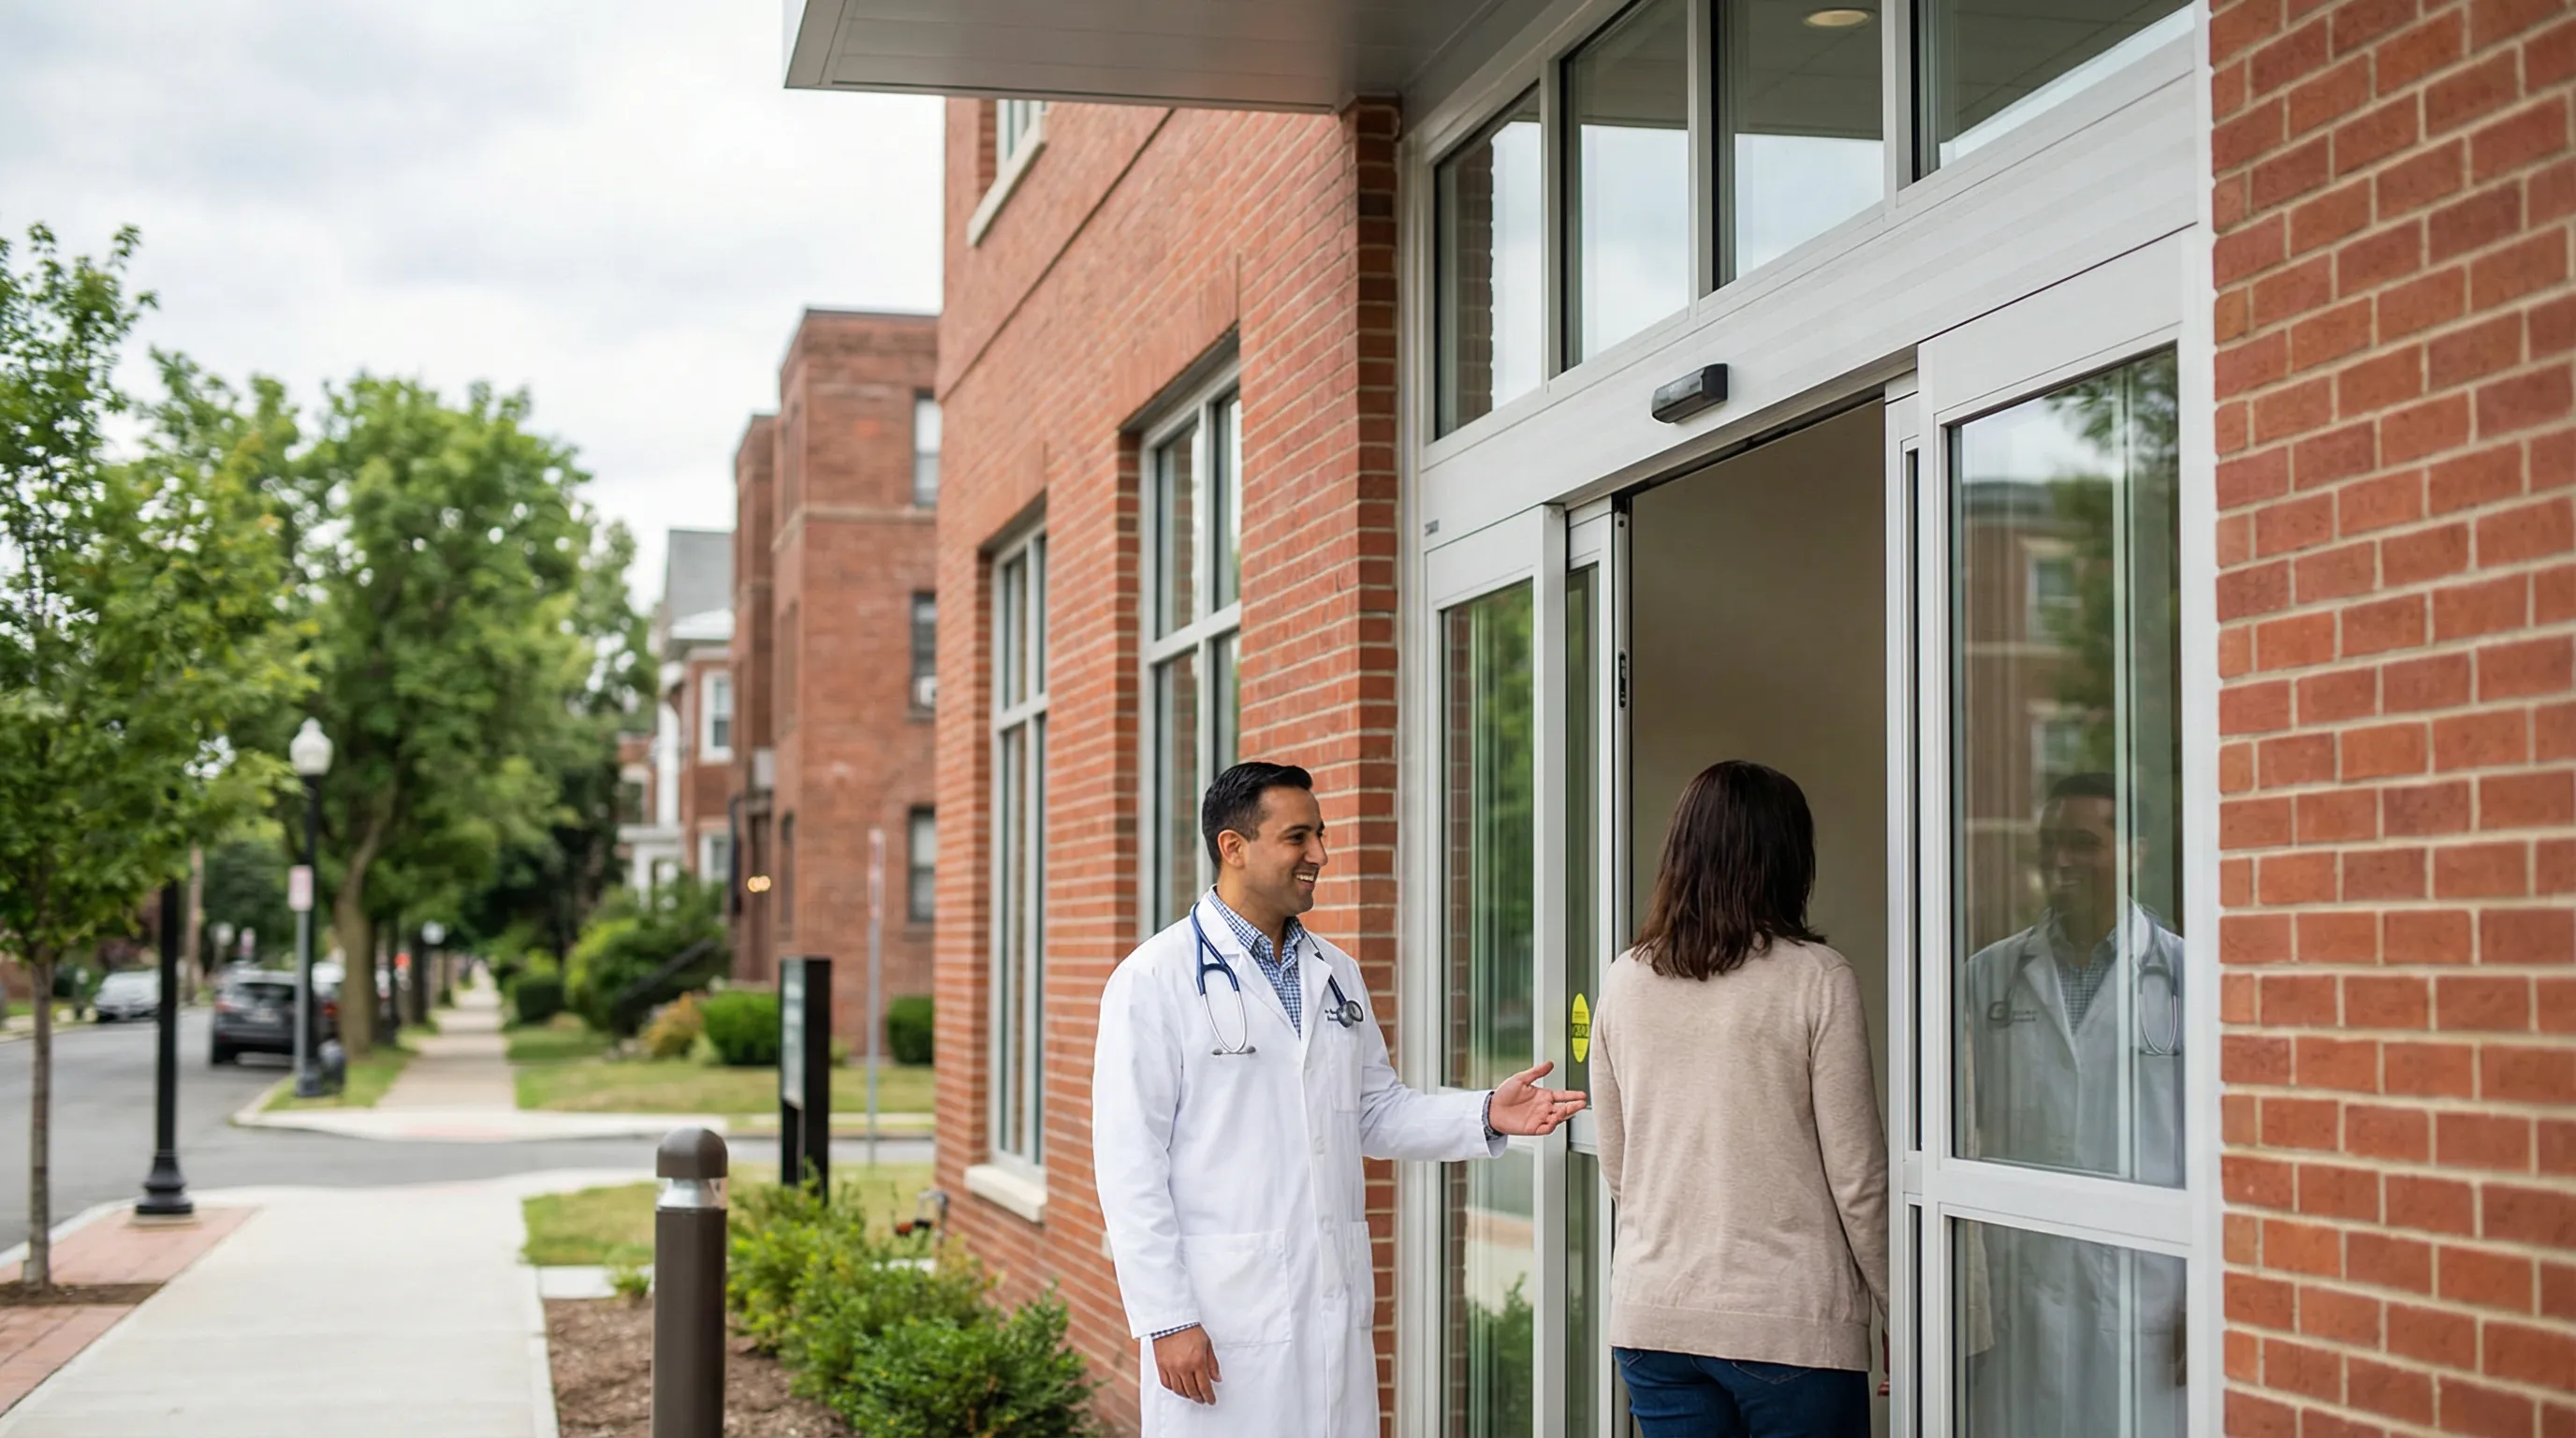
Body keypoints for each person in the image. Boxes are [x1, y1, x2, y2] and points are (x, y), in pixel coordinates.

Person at [1093, 760, 1587, 1437]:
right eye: (1299, 838)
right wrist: (1167, 1317)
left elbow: (1375, 1111)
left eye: (1320, 836)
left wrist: (1482, 1113)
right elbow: (1129, 1167)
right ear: (1233, 848)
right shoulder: (1153, 979)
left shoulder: (1336, 972)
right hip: (1220, 1317)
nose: (1320, 855)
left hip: (1326, 1307)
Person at [1591, 760, 1888, 1438]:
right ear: (1788, 859)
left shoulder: (1624, 980)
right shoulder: (1817, 979)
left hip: (1655, 1319)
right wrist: (1902, 1308)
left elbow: (1620, 1166)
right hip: (1789, 1324)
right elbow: (1859, 1178)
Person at [1958, 770, 2185, 1436]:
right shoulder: (1989, 976)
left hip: (2150, 1290)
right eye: (2051, 842)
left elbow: (2224, 1142)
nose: (2061, 860)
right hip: (2023, 1284)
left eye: (2083, 842)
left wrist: (2208, 1290)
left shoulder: (2188, 977)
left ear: (2135, 851)